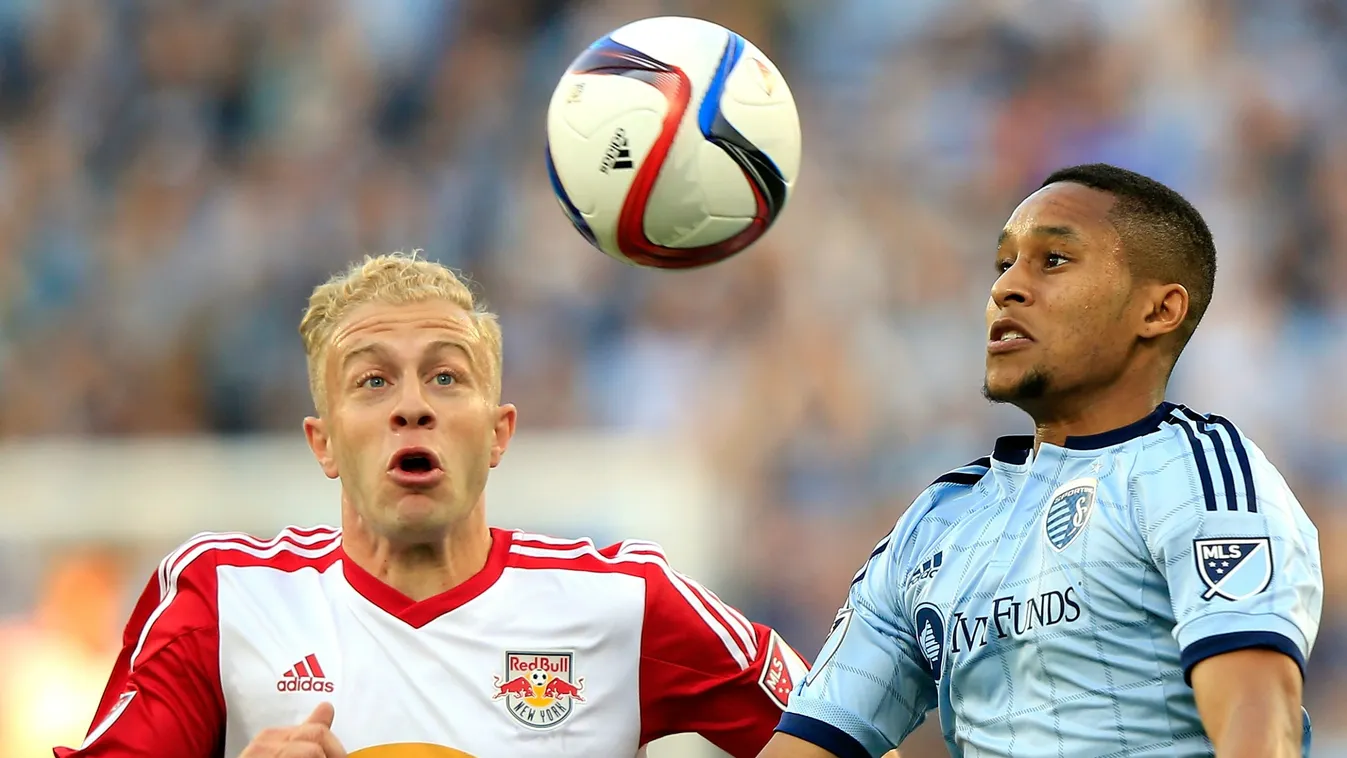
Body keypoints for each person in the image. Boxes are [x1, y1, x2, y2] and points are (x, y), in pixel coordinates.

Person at [57, 252, 809, 758]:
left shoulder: (625, 601)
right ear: (323, 443)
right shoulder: (222, 597)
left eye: (446, 378)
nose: (412, 406)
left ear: (497, 433)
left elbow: (844, 732)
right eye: (372, 382)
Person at [760, 164, 1323, 758]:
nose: (1006, 288)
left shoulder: (1193, 475)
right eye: (1004, 264)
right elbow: (815, 741)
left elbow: (1261, 726)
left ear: (1158, 311)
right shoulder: (934, 525)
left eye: (1053, 260)